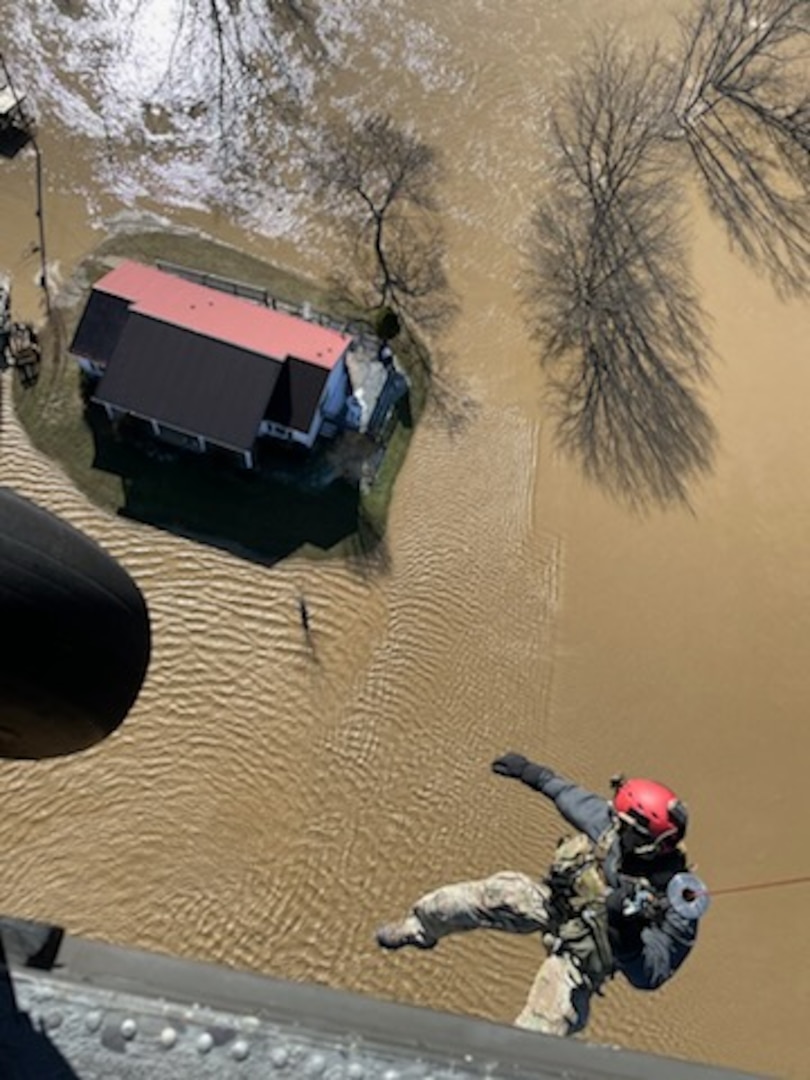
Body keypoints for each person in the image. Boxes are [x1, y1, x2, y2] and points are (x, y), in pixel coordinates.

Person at [375, 753, 699, 1037]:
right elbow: (572, 797)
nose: (611, 824)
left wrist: (625, 933)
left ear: (646, 840)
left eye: (623, 824)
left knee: (540, 1029)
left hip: (588, 951)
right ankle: (420, 930)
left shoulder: (680, 898)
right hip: (558, 904)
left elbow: (652, 974)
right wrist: (533, 773)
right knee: (470, 899)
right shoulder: (615, 829)